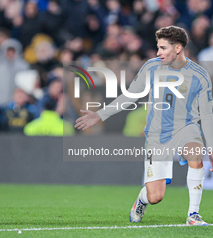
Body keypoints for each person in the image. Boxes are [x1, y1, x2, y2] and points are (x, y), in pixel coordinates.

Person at [75, 26, 213, 226]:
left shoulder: (199, 75)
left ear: (178, 48)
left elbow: (207, 114)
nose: (158, 53)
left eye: (163, 48)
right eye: (158, 47)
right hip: (157, 134)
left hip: (186, 128)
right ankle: (142, 200)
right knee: (156, 196)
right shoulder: (151, 67)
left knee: (195, 153)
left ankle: (193, 215)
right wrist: (100, 114)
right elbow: (130, 96)